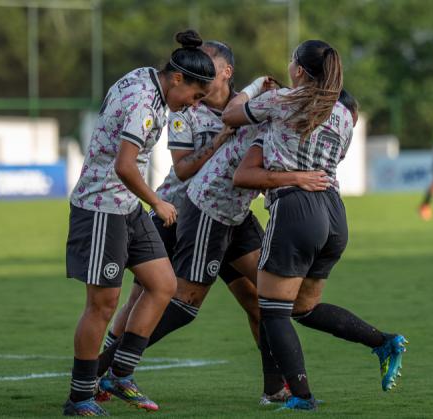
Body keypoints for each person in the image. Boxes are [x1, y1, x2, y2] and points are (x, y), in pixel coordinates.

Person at [97, 40, 329, 406]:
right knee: (146, 300)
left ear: (227, 72)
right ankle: (101, 373)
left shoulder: (249, 105)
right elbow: (183, 168)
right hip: (180, 211)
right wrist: (222, 138)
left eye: (210, 62)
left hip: (233, 215)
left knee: (261, 299)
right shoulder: (186, 108)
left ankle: (275, 388)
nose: (201, 70)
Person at [226, 40, 407, 411]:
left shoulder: (284, 100)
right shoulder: (342, 114)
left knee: (272, 311)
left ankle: (302, 397)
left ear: (300, 71)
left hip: (297, 209)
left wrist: (256, 90)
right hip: (334, 213)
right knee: (304, 308)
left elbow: (231, 116)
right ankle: (382, 341)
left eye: (292, 59)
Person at [63, 30, 215, 416]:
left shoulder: (149, 76)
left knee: (163, 285)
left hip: (126, 205)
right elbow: (124, 165)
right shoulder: (143, 104)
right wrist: (158, 202)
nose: (193, 105)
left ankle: (118, 374)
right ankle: (79, 397)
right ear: (177, 78)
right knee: (103, 305)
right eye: (195, 96)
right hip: (101, 207)